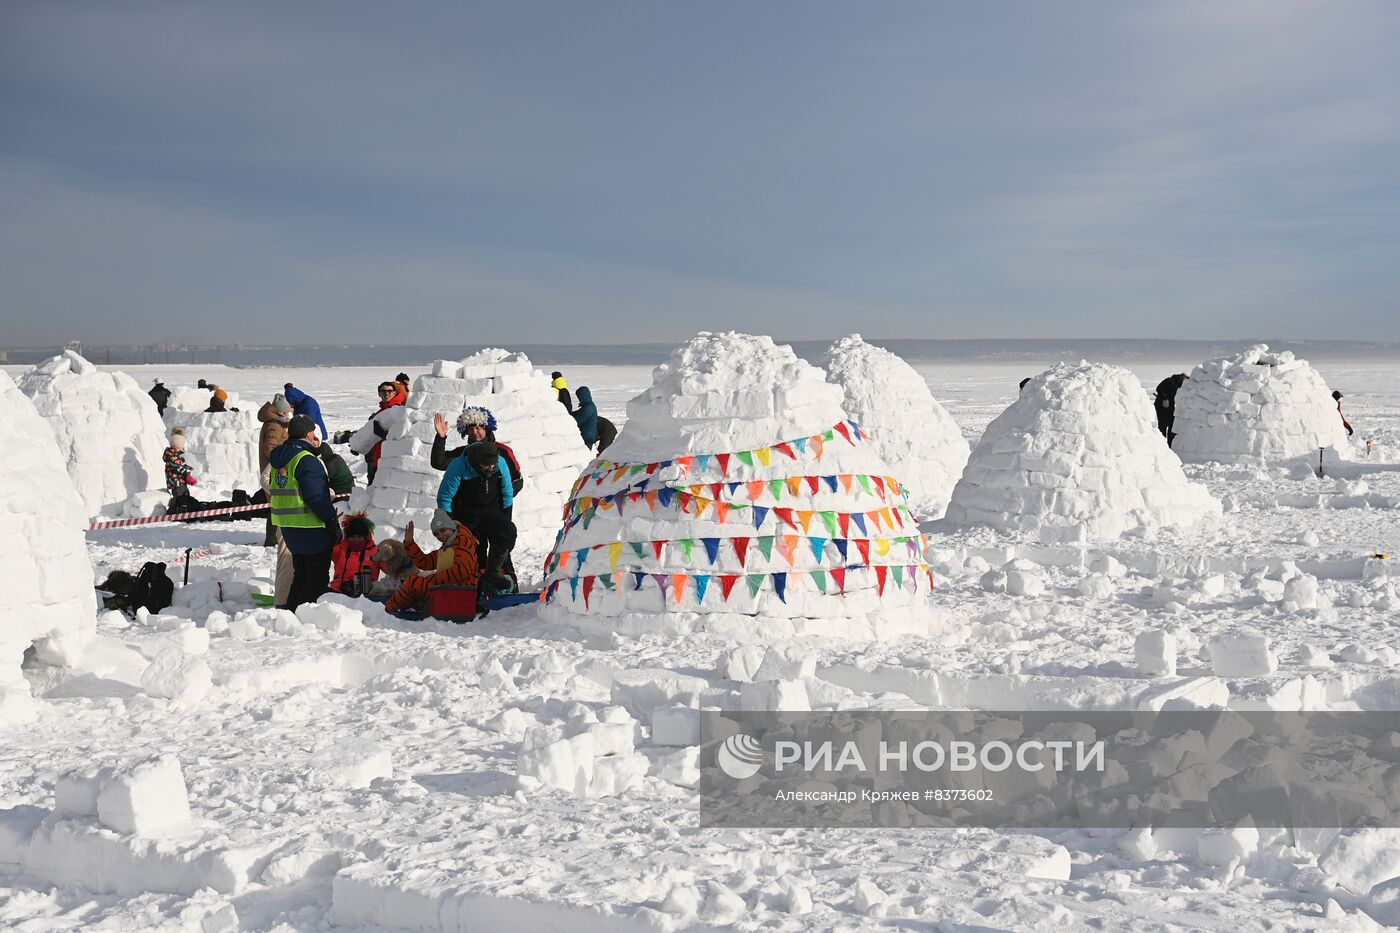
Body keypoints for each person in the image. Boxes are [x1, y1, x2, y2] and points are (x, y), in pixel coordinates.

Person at [267, 414, 342, 611]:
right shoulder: (306, 460)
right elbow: (316, 497)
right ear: (309, 434)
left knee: (301, 577)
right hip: (312, 528)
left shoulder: (279, 460)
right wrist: (331, 521)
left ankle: (290, 613)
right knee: (316, 581)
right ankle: (300, 615)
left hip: (289, 528)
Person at [437, 440, 517, 596]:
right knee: (473, 552)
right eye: (486, 466)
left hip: (490, 512)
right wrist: (451, 526)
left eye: (493, 466)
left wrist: (506, 519)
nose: (491, 469)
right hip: (464, 515)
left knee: (508, 532)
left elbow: (507, 492)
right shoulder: (459, 466)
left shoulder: (500, 462)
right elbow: (444, 498)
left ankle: (493, 571)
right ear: (475, 462)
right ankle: (474, 587)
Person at [385, 509, 481, 613]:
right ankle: (408, 605)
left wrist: (430, 580)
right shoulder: (449, 546)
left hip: (461, 593)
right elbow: (425, 562)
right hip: (451, 590)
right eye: (437, 534)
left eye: (443, 530)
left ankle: (388, 611)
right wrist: (409, 542)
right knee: (416, 583)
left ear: (451, 527)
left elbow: (461, 571)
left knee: (413, 582)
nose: (441, 536)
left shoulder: (463, 542)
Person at [430, 406, 524, 491]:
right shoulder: (462, 453)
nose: (474, 432)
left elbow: (517, 481)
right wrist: (440, 437)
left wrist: (499, 500)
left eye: (477, 427)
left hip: (493, 508)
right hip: (466, 508)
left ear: (486, 428)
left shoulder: (503, 451)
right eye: (470, 429)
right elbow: (439, 463)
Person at [257, 393, 292, 546]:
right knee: (276, 504)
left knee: (277, 504)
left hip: (276, 470)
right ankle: (272, 539)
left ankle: (275, 537)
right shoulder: (274, 426)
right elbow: (270, 449)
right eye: (286, 412)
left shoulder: (277, 424)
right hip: (274, 471)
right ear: (280, 412)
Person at [364, 381, 407, 484]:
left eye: (389, 391)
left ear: (394, 393)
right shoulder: (379, 413)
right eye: (383, 391)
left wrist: (384, 435)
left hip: (390, 462)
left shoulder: (399, 412)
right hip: (375, 460)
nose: (386, 393)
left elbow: (403, 436)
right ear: (379, 393)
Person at [329, 513, 380, 595]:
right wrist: (331, 529)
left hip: (365, 597)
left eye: (359, 536)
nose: (356, 540)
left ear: (366, 536)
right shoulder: (340, 549)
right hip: (337, 593)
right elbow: (324, 547)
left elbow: (393, 568)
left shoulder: (376, 552)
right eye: (352, 537)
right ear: (347, 537)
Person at [1154, 373, 1188, 447]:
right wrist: (1164, 398)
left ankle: (1170, 445)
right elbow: (1159, 388)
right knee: (1163, 424)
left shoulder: (1181, 387)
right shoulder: (1169, 381)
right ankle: (1161, 445)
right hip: (1161, 406)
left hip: (1171, 406)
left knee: (1172, 425)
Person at [163, 430, 196, 498]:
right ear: (176, 447)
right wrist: (187, 473)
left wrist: (188, 467)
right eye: (180, 447)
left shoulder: (175, 455)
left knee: (186, 495)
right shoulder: (171, 456)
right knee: (179, 498)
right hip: (175, 483)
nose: (181, 449)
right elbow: (178, 467)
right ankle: (179, 508)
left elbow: (181, 464)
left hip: (180, 482)